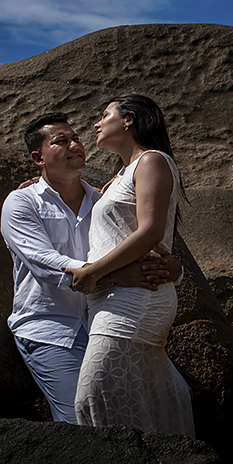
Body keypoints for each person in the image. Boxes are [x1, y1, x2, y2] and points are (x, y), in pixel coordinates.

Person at [1, 112, 183, 423]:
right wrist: (110, 274)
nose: (75, 144)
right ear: (38, 157)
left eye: (76, 138)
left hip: (104, 320)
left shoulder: (101, 203)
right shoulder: (22, 203)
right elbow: (46, 265)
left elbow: (141, 246)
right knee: (82, 418)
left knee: (167, 400)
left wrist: (173, 267)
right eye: (61, 141)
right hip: (50, 329)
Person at [65, 94, 195, 437]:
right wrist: (41, 183)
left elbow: (151, 229)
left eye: (105, 115)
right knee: (147, 396)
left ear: (129, 119)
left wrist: (94, 271)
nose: (96, 123)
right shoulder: (120, 174)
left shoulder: (152, 161)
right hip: (112, 298)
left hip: (136, 298)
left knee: (91, 397)